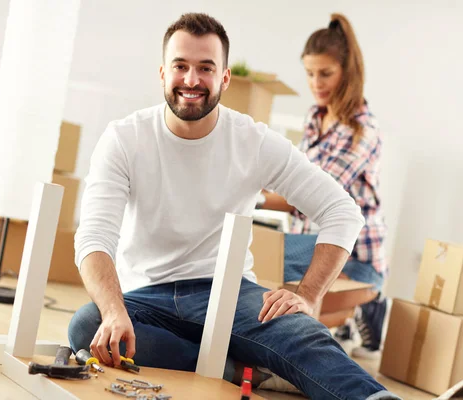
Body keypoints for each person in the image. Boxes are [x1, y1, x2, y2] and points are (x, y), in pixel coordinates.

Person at [67, 12, 402, 399]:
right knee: (87, 324)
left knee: (301, 332)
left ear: (224, 78)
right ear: (162, 73)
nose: (192, 80)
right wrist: (113, 311)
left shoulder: (253, 141)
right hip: (147, 296)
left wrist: (309, 295)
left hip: (228, 293)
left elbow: (342, 211)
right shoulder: (124, 138)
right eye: (181, 66)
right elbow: (93, 238)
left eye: (206, 68)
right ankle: (244, 371)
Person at [257, 13, 389, 359]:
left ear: (348, 71)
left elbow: (311, 197)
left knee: (261, 252)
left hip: (354, 255)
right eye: (310, 73)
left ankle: (370, 306)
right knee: (262, 252)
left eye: (326, 73)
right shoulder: (315, 119)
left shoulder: (363, 130)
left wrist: (251, 196)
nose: (316, 83)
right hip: (309, 244)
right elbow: (290, 177)